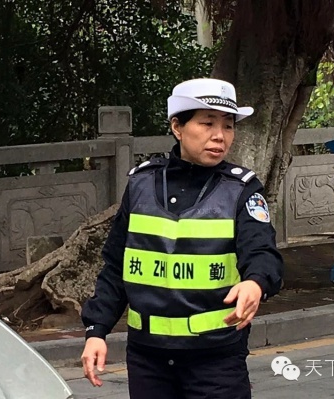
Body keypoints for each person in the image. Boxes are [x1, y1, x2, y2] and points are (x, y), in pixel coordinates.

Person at [80, 78, 284, 398]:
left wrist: (255, 282)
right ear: (178, 127)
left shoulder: (242, 190)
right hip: (148, 358)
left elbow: (263, 251)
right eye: (207, 123)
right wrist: (96, 331)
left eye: (228, 126)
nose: (220, 136)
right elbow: (116, 264)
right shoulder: (141, 184)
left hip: (216, 359)